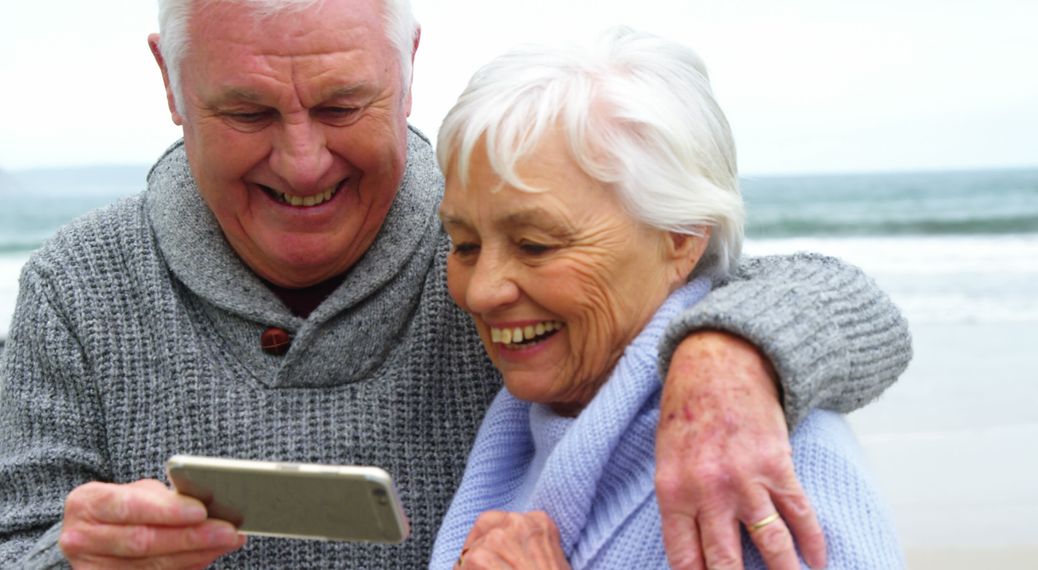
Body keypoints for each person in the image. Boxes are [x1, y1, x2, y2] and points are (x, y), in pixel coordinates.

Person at [0, 1, 910, 568]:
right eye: (246, 111)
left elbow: (794, 288)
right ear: (169, 82)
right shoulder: (78, 290)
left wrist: (728, 350)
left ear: (407, 74)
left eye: (344, 104)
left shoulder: (504, 222)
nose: (304, 158)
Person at [429, 28, 906, 569]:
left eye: (536, 245)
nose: (482, 290)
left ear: (680, 236)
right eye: (464, 245)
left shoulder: (756, 460)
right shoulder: (531, 423)